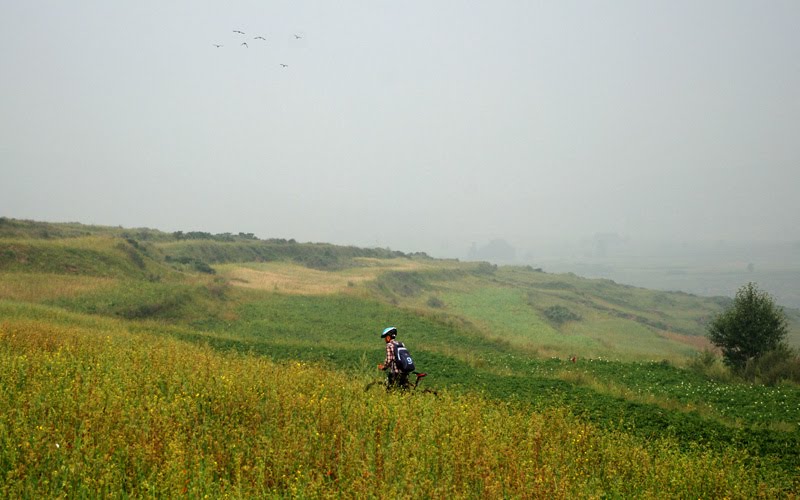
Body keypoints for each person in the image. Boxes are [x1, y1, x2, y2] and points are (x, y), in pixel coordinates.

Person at [377, 326, 409, 390]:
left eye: (385, 337)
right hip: (404, 370)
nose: (385, 339)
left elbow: (389, 359)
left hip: (395, 372)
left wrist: (384, 367)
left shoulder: (389, 345)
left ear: (388, 337)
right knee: (402, 389)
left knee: (390, 390)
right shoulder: (401, 344)